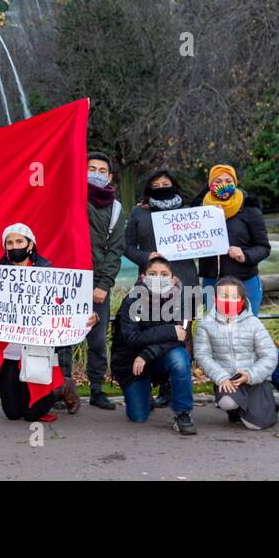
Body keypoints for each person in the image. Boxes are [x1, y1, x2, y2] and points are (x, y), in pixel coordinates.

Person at [0, 223, 98, 424]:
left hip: (37, 351)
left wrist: (90, 317)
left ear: (30, 245)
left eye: (19, 241)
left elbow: (66, 304)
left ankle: (62, 387)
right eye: (10, 243)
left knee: (32, 416)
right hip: (9, 353)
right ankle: (38, 391)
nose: (15, 247)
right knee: (13, 414)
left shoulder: (48, 272)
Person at [123, 169, 199, 408]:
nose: (161, 186)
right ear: (148, 189)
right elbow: (126, 246)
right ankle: (158, 381)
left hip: (186, 281)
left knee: (184, 334)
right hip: (151, 285)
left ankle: (180, 384)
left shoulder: (188, 214)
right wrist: (147, 256)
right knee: (153, 328)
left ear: (175, 186)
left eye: (166, 183)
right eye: (155, 184)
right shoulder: (139, 213)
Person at [111, 256, 197, 435]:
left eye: (164, 274)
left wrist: (148, 354)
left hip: (152, 358)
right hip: (132, 363)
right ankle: (145, 393)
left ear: (173, 279)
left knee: (179, 359)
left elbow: (180, 336)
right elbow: (132, 339)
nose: (158, 278)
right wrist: (170, 331)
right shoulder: (131, 301)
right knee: (138, 416)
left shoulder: (182, 300)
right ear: (143, 277)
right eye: (153, 274)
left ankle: (183, 413)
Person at [194, 276, 279, 430]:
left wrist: (250, 375)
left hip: (252, 379)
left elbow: (270, 355)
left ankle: (266, 405)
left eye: (234, 297)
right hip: (227, 379)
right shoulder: (206, 324)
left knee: (256, 425)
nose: (229, 301)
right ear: (215, 298)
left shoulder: (253, 323)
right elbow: (202, 355)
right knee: (228, 402)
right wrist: (221, 377)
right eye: (224, 296)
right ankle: (236, 409)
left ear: (242, 299)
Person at [197, 164, 271, 315]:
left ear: (235, 183)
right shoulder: (199, 211)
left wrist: (245, 255)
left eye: (228, 180)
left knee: (247, 328)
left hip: (245, 281)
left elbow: (264, 247)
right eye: (217, 181)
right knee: (214, 328)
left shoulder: (250, 210)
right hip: (212, 282)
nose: (223, 185)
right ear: (210, 184)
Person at [85, 150, 125, 410]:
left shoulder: (116, 208)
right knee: (64, 337)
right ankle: (62, 386)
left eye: (101, 171)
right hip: (68, 281)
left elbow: (116, 249)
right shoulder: (70, 196)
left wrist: (103, 284)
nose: (96, 174)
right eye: (91, 169)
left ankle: (97, 389)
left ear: (109, 176)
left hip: (97, 284)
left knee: (97, 340)